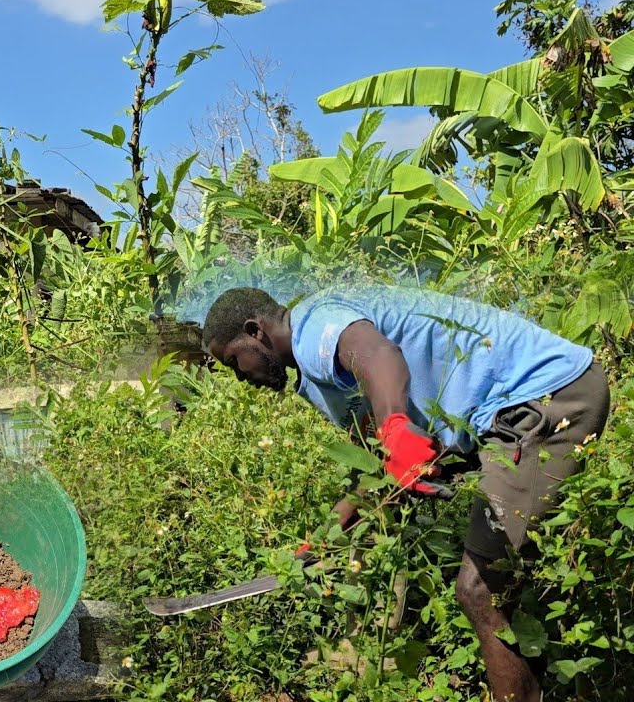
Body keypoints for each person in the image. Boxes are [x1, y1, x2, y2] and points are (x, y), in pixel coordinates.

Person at [200, 284, 610, 702]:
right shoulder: (318, 374)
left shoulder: (314, 324)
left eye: (234, 362)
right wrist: (325, 539)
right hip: (505, 416)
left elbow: (379, 356)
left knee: (480, 590)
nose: (240, 378)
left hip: (545, 397)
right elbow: (380, 469)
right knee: (496, 579)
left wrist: (395, 428)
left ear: (255, 331)